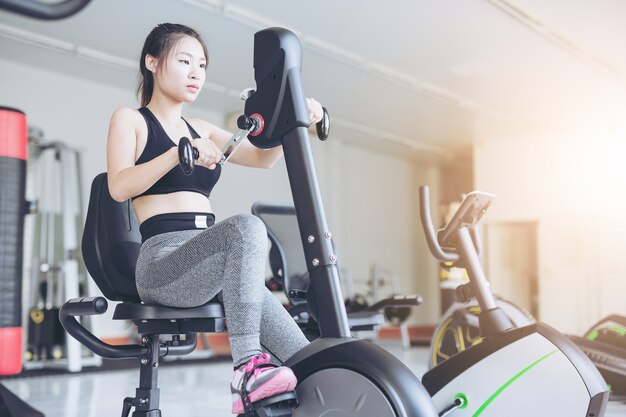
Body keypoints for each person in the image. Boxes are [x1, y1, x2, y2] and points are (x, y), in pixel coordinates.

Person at [106, 23, 322, 415]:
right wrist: (178, 152)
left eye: (202, 65)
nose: (195, 73)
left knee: (308, 361)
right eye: (185, 61)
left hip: (213, 261)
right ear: (152, 62)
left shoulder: (200, 128)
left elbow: (262, 158)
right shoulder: (131, 120)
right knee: (246, 226)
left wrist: (292, 117)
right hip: (162, 265)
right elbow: (119, 187)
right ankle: (246, 368)